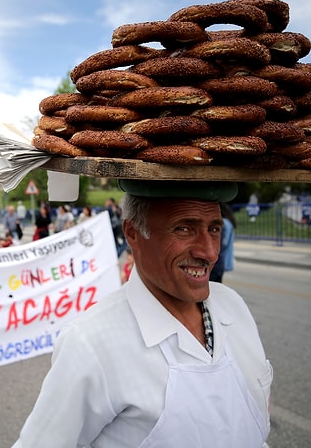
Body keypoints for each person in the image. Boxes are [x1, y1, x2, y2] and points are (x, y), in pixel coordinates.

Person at [14, 181, 272, 447]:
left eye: (214, 229)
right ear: (133, 233)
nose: (208, 252)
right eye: (184, 229)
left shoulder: (233, 306)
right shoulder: (91, 342)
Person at [210, 202, 237, 283]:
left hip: (218, 262)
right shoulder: (229, 222)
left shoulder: (224, 223)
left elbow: (222, 244)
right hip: (222, 262)